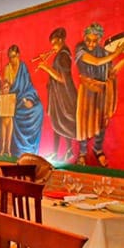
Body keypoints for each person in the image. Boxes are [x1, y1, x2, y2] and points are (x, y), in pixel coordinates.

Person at [74, 22, 124, 166]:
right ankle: (82, 153)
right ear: (84, 37)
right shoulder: (80, 48)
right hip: (87, 91)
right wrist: (117, 53)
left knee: (102, 122)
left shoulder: (104, 52)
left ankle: (98, 149)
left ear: (99, 39)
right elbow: (96, 62)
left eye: (94, 41)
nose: (90, 44)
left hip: (102, 92)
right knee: (84, 123)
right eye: (88, 40)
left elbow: (112, 71)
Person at [37, 27, 78, 162]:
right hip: (58, 95)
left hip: (64, 95)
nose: (52, 47)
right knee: (57, 123)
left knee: (63, 123)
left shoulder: (63, 55)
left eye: (54, 43)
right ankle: (55, 152)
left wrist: (46, 68)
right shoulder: (61, 54)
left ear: (61, 40)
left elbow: (62, 78)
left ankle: (69, 151)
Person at [1, 44, 44, 156]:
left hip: (24, 97)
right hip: (13, 101)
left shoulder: (23, 67)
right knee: (15, 113)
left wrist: (29, 99)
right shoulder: (7, 68)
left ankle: (31, 148)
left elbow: (28, 86)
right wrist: (6, 88)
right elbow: (6, 87)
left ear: (18, 55)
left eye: (14, 56)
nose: (12, 59)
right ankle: (19, 149)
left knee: (39, 108)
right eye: (10, 57)